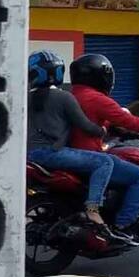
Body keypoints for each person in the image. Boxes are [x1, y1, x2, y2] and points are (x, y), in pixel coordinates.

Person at [68, 53, 139, 241]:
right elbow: (130, 121)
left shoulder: (71, 96)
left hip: (69, 155)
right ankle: (124, 225)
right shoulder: (96, 98)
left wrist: (110, 126)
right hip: (89, 156)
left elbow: (92, 122)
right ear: (101, 76)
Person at [25, 51, 115, 228]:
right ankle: (93, 209)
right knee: (105, 162)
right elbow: (84, 125)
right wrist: (102, 130)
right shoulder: (64, 97)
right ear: (59, 73)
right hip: (52, 153)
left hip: (29, 155)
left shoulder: (25, 98)